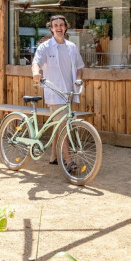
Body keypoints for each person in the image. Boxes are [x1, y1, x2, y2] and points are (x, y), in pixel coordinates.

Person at [31, 15, 85, 166]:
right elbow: (36, 62)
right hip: (54, 92)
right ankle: (68, 160)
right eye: (55, 25)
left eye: (61, 25)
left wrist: (78, 79)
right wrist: (36, 73)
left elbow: (80, 67)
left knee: (59, 124)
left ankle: (54, 156)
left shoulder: (72, 47)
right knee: (64, 127)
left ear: (65, 27)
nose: (59, 28)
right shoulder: (45, 47)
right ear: (51, 28)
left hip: (69, 92)